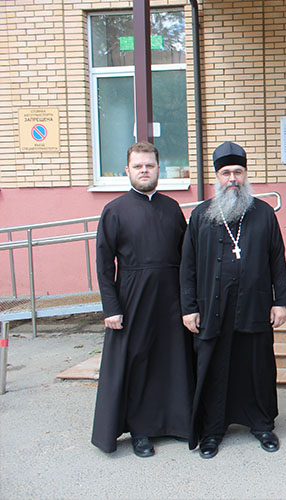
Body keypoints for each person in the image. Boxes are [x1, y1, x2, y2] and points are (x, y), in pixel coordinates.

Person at [180, 141, 286, 459]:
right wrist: (188, 308)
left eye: (238, 172)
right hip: (213, 308)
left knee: (257, 367)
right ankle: (213, 430)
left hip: (254, 307)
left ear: (245, 175)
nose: (233, 179)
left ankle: (262, 424)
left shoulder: (263, 213)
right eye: (226, 172)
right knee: (215, 367)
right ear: (217, 177)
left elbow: (277, 260)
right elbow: (187, 266)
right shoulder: (201, 216)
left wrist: (280, 301)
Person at [92, 141, 193, 457]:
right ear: (128, 170)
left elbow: (186, 258)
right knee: (139, 363)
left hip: (171, 297)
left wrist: (191, 302)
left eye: (149, 165)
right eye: (138, 166)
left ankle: (178, 422)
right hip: (133, 297)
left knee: (174, 361)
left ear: (158, 169)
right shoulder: (115, 210)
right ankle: (142, 431)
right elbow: (104, 263)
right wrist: (111, 307)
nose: (144, 171)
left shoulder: (172, 208)